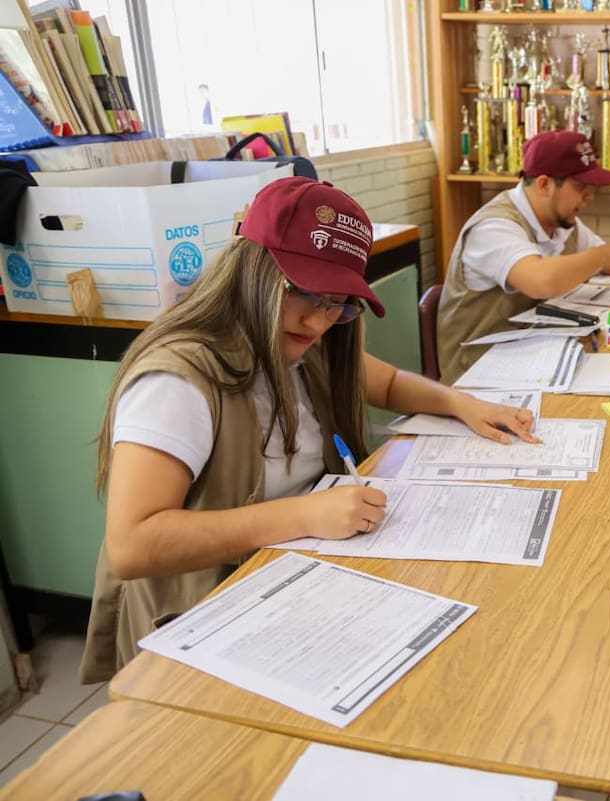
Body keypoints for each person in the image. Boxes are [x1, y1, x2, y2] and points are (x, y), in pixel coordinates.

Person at [80, 177, 537, 683]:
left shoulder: (300, 341)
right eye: (304, 292)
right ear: (251, 268)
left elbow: (385, 383)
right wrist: (301, 515)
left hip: (297, 577)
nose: (320, 321)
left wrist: (458, 402)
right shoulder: (178, 378)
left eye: (338, 303)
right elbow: (132, 545)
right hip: (203, 614)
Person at [436, 130, 610, 384]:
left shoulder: (560, 221)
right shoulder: (494, 226)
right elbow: (541, 280)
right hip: (478, 376)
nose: (591, 196)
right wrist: (601, 256)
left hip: (533, 358)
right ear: (545, 184)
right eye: (581, 187)